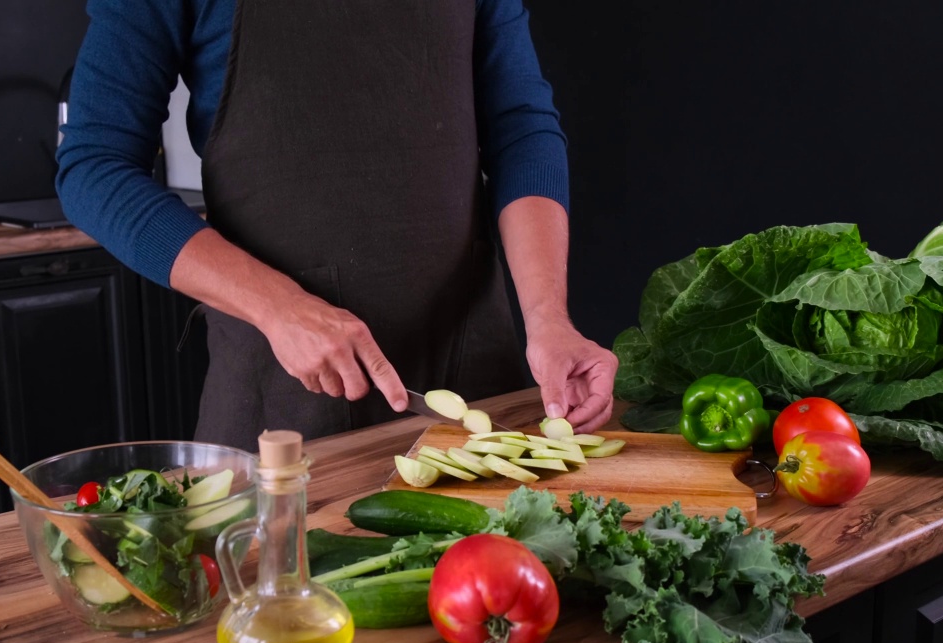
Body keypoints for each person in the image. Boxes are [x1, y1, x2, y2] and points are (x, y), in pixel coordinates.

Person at [57, 0, 617, 450]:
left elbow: (521, 131)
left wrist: (549, 321)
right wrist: (279, 307)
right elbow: (94, 168)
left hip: (473, 385)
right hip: (283, 402)